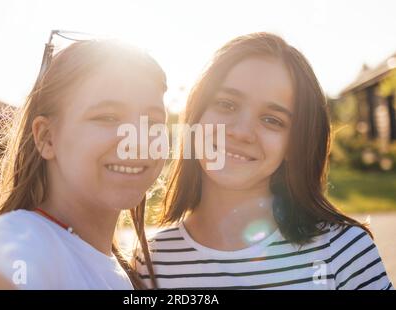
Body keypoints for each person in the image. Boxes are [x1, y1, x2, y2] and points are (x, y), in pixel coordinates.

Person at [136, 32, 393, 290]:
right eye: (226, 104)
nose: (242, 132)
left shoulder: (341, 250)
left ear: (294, 144)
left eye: (272, 120)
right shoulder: (150, 262)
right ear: (195, 116)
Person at [0, 35, 167, 289]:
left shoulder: (116, 270)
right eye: (108, 117)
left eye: (152, 122)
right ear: (47, 137)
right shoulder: (18, 244)